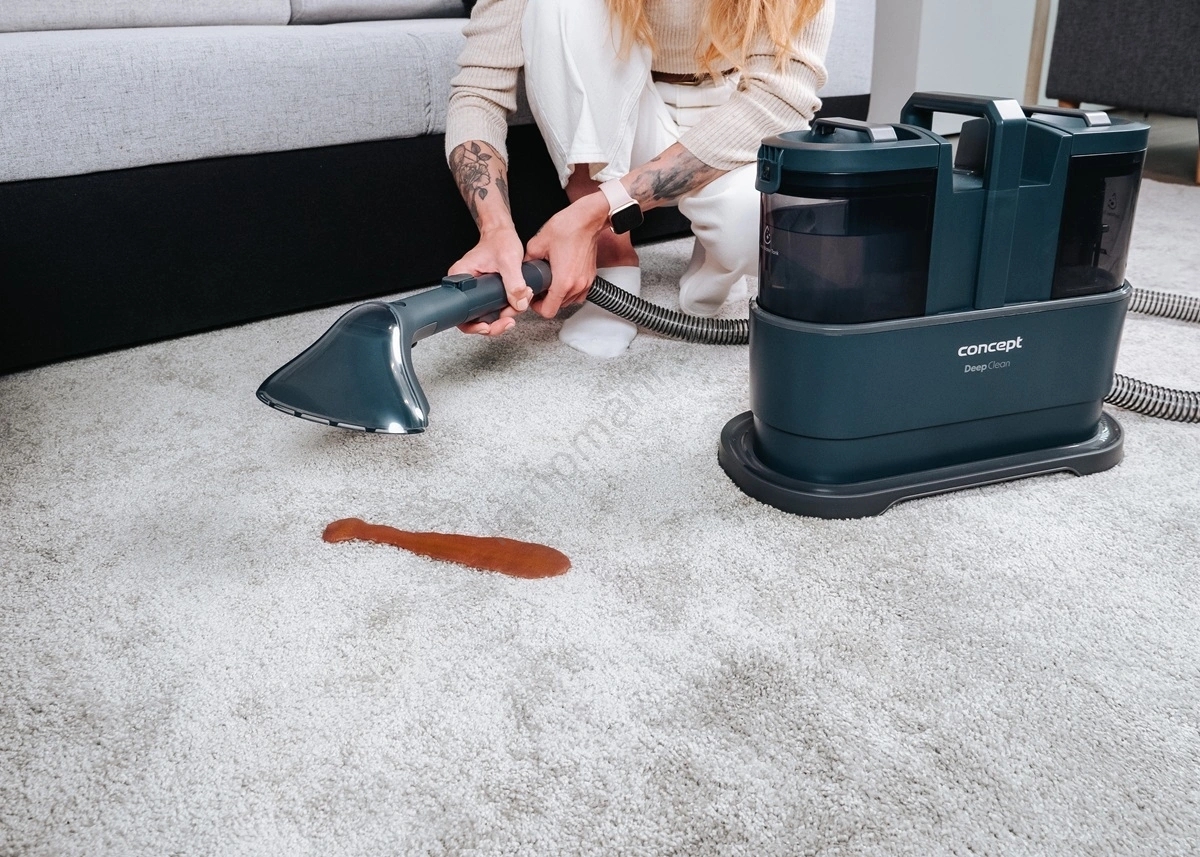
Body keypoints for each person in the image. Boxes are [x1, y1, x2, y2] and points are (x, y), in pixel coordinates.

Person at [445, 0, 833, 357]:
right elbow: (480, 89)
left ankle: (719, 260)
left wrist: (599, 209)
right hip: (631, 112)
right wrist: (495, 229)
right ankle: (613, 261)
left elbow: (780, 100)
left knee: (757, 228)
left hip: (735, 117)